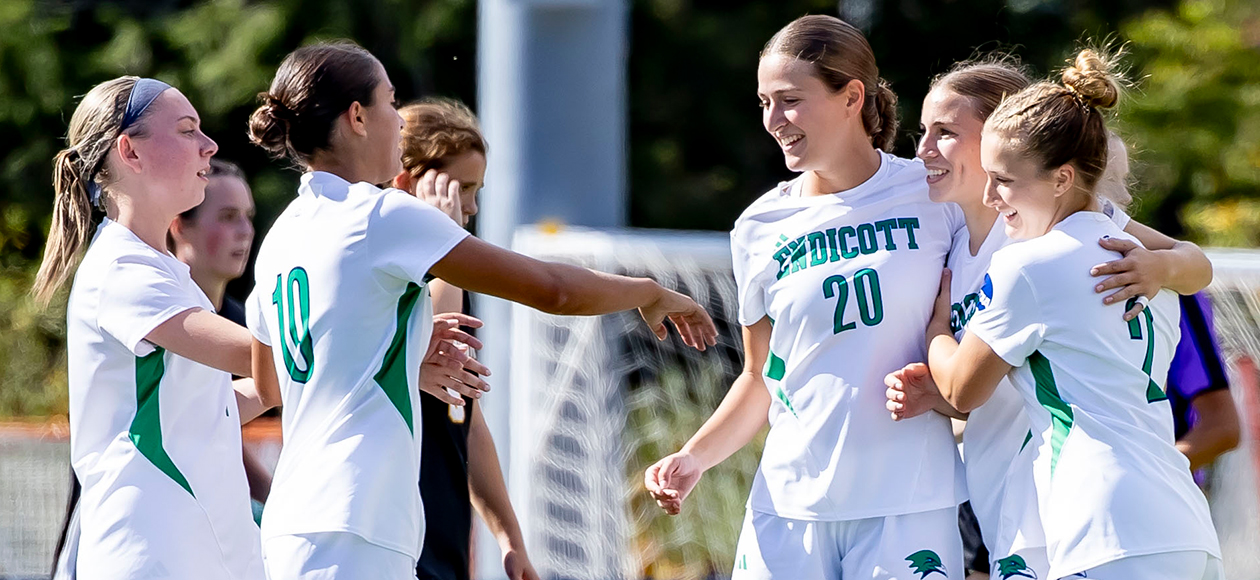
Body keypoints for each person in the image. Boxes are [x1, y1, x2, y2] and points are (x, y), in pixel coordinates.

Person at [245, 41, 716, 580]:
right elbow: (552, 290)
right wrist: (648, 292)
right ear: (356, 117)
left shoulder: (279, 237)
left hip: (292, 522)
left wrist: (398, 358)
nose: (399, 122)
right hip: (357, 517)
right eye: (390, 103)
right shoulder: (381, 215)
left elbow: (270, 381)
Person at [646, 15, 969, 580]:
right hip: (789, 509)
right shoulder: (759, 225)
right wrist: (693, 457)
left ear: (852, 97)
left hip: (909, 503)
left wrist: (1171, 260)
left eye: (791, 100)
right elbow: (758, 377)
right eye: (764, 102)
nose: (774, 121)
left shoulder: (934, 192)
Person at [913, 49, 1222, 579]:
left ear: (1061, 178)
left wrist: (937, 331)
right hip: (1185, 527)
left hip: (1100, 526)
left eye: (1003, 180)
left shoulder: (1027, 264)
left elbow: (963, 390)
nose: (992, 195)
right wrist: (1166, 269)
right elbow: (1198, 265)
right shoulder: (1134, 250)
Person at [33, 76, 272, 579]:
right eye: (188, 131)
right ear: (129, 152)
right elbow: (253, 354)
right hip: (147, 557)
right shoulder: (122, 268)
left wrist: (389, 360)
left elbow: (210, 410)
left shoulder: (163, 271)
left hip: (194, 555)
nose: (209, 145)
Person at [391, 98, 539, 580]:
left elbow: (465, 419)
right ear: (409, 181)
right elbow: (428, 346)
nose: (472, 207)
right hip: (390, 541)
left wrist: (509, 538)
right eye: (464, 189)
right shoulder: (386, 278)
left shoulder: (450, 280)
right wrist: (445, 237)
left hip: (445, 545)